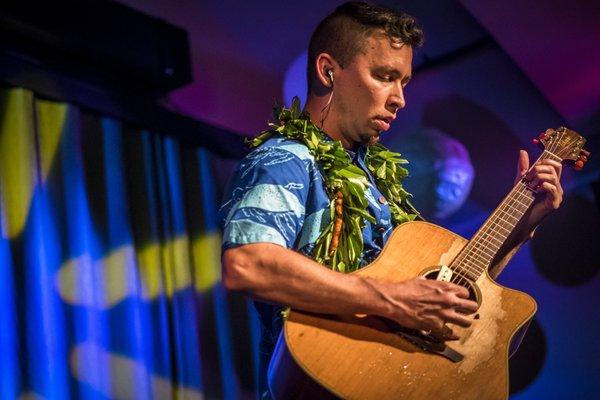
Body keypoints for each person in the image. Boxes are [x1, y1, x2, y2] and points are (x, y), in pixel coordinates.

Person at [218, 2, 564, 398]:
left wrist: (524, 223)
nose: (399, 98)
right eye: (385, 76)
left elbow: (449, 295)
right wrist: (394, 300)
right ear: (328, 71)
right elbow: (247, 264)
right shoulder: (286, 158)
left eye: (404, 82)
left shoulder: (377, 183)